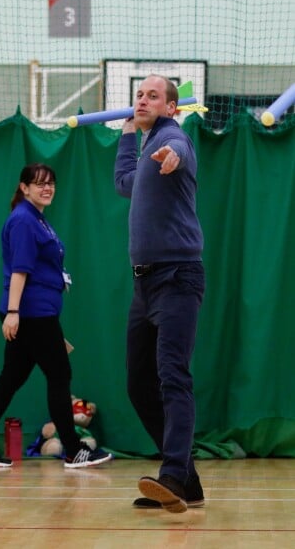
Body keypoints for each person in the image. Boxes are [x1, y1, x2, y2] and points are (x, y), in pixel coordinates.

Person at [0, 163, 113, 469]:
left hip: (37, 312)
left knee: (11, 378)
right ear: (24, 187)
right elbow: (20, 269)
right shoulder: (23, 221)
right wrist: (14, 312)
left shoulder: (37, 219)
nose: (47, 188)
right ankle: (73, 450)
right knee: (59, 376)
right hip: (32, 313)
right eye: (39, 183)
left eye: (51, 183)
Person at [114, 75, 206, 513]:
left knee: (173, 377)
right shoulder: (148, 145)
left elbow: (180, 152)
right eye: (139, 94)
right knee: (138, 383)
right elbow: (125, 182)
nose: (143, 99)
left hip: (177, 277)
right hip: (143, 285)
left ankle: (171, 473)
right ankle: (186, 481)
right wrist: (128, 136)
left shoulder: (174, 137)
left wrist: (171, 153)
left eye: (153, 95)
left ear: (172, 107)